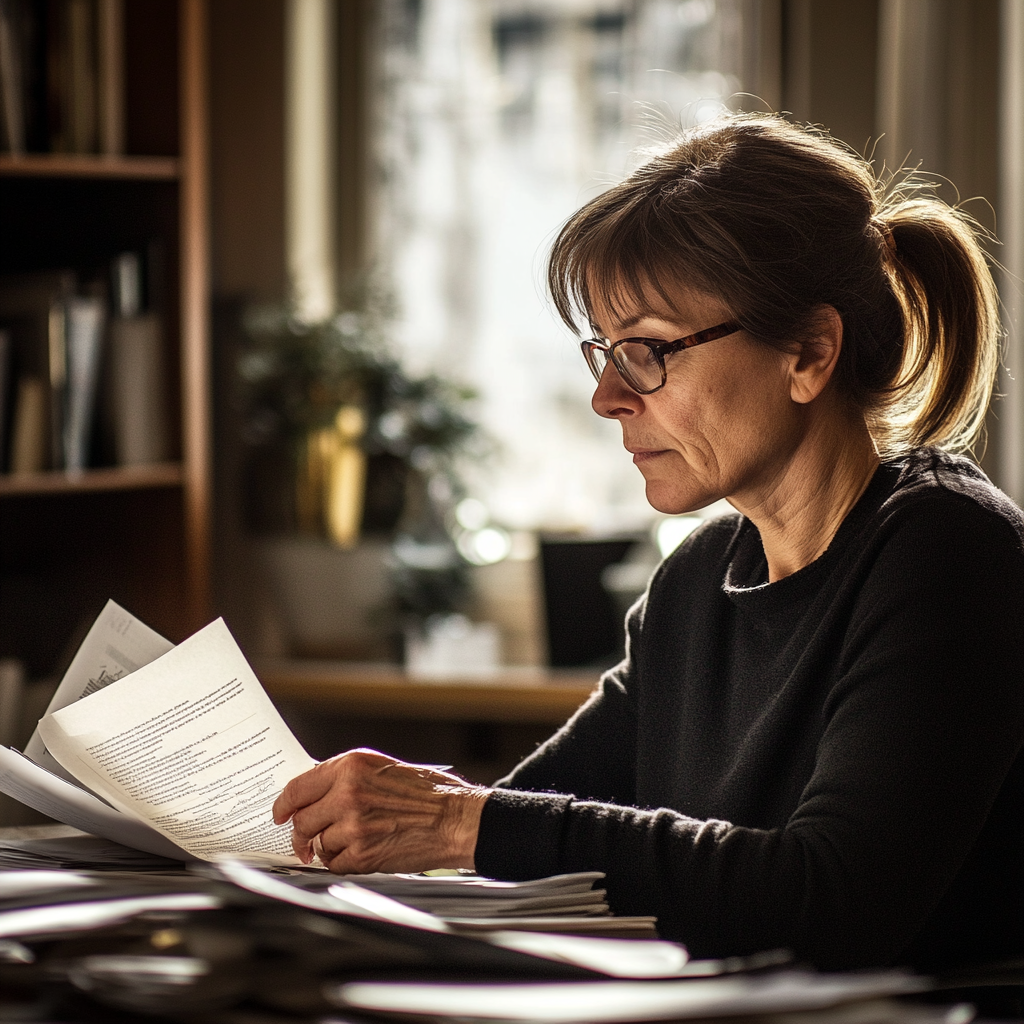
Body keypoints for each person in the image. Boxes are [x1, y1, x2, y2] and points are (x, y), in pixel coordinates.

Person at [272, 114, 1024, 976]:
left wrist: (456, 821)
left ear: (810, 353)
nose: (605, 398)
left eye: (646, 352)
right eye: (603, 351)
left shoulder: (951, 557)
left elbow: (834, 900)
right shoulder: (699, 582)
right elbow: (528, 820)